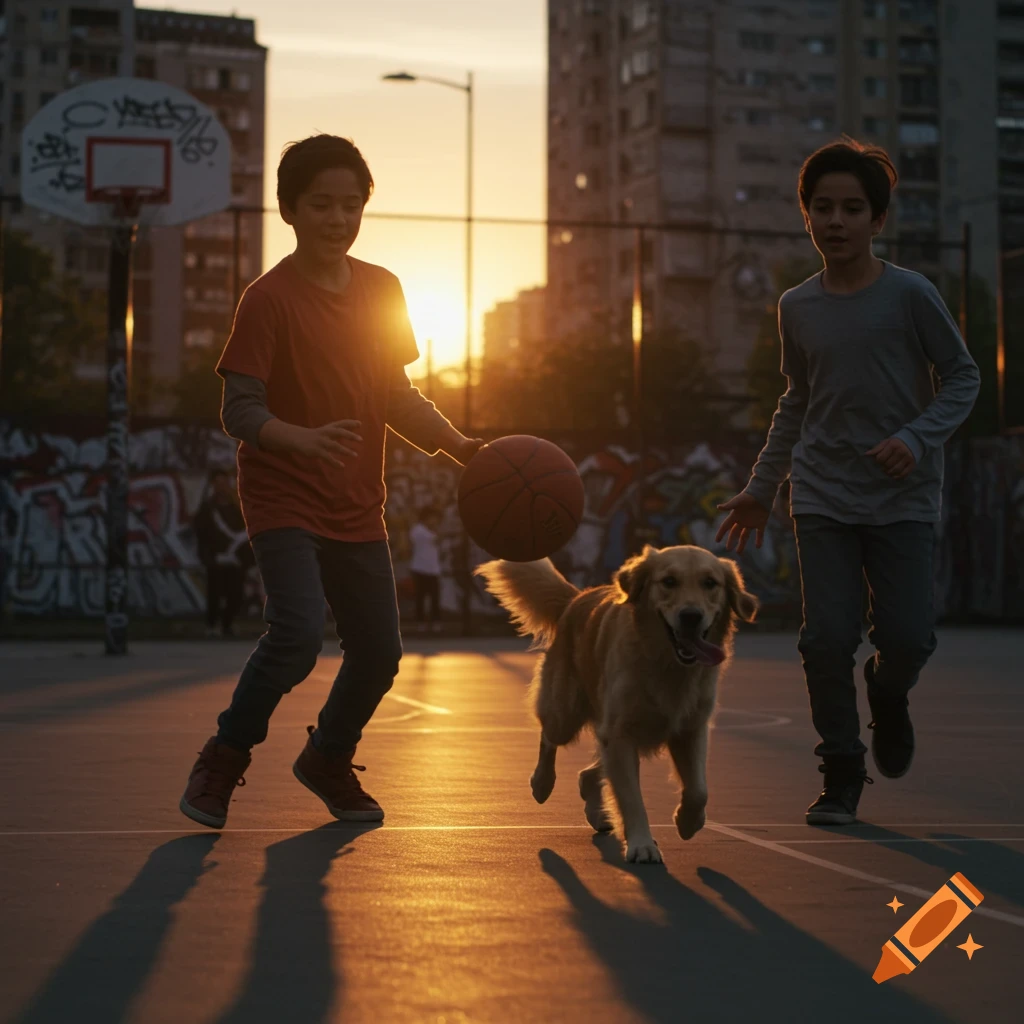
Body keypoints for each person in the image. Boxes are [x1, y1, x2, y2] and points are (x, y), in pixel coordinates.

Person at [179, 134, 483, 829]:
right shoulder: (268, 299)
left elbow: (396, 397)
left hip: (355, 501)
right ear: (289, 209)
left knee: (379, 652)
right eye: (322, 204)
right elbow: (240, 410)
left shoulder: (383, 289)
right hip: (282, 492)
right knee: (295, 633)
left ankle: (327, 757)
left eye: (351, 205)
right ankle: (224, 757)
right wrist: (302, 439)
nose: (338, 219)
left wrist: (462, 446)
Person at [715, 137, 980, 827]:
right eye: (823, 207)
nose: (836, 221)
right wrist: (761, 486)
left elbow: (964, 377)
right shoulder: (796, 306)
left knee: (910, 640)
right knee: (824, 639)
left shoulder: (912, 295)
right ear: (806, 216)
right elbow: (796, 400)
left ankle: (887, 693)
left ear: (877, 220)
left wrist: (916, 439)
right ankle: (840, 773)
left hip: (902, 498)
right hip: (824, 493)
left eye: (852, 209)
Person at [193, 469, 252, 637]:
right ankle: (212, 626)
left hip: (235, 562)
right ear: (213, 485)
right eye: (218, 484)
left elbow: (246, 534)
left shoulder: (237, 509)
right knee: (214, 594)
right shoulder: (207, 510)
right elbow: (201, 535)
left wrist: (245, 559)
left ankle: (227, 625)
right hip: (215, 561)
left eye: (224, 483)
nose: (222, 487)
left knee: (236, 595)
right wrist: (208, 558)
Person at [408, 506, 443, 633]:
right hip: (420, 569)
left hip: (434, 570)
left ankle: (436, 623)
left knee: (435, 598)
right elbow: (435, 539)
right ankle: (420, 623)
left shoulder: (432, 531)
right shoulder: (418, 530)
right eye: (433, 518)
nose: (435, 521)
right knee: (420, 598)